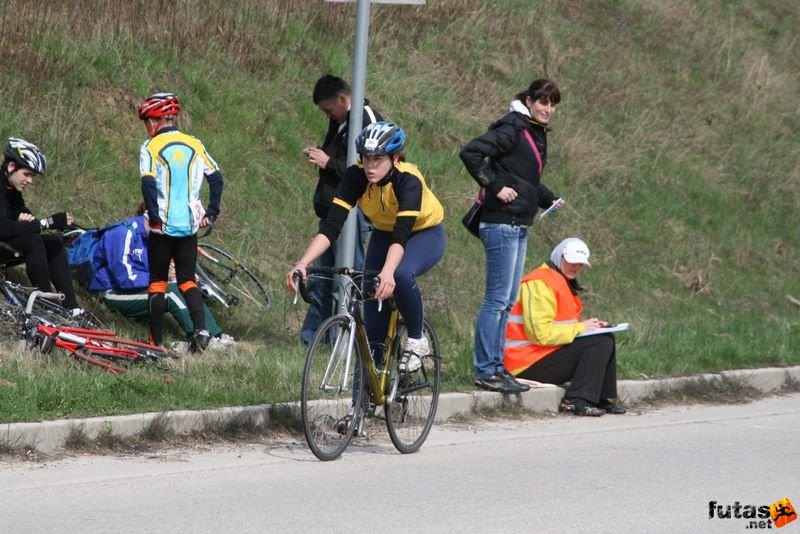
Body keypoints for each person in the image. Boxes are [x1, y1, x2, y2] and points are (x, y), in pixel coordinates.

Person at [288, 121, 445, 373]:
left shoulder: (408, 180)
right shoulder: (356, 176)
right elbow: (331, 227)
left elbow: (402, 234)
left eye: (378, 159)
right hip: (384, 233)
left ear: (395, 158)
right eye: (366, 158)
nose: (370, 165)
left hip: (423, 233)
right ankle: (360, 404)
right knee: (371, 328)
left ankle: (417, 340)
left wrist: (388, 271)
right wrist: (303, 263)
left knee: (400, 274)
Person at [460, 78, 565, 394]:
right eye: (542, 102)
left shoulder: (532, 131)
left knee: (506, 301)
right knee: (496, 299)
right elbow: (471, 153)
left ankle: (497, 367)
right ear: (530, 101)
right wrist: (494, 187)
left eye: (552, 104)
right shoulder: (513, 128)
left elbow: (522, 178)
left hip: (518, 224)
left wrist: (548, 198)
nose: (547, 108)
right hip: (501, 224)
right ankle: (486, 370)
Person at [300, 74, 383, 345]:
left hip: (352, 212)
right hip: (332, 209)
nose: (328, 115)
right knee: (323, 278)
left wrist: (327, 163)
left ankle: (349, 339)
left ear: (343, 99)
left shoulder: (366, 120)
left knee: (348, 277)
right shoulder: (340, 121)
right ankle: (314, 340)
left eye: (328, 109)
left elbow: (365, 172)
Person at [137, 92, 224, 350]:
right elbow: (217, 179)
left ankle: (156, 341)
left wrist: (153, 216)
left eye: (146, 121)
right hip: (188, 224)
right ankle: (201, 330)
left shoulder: (150, 146)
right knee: (187, 280)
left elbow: (148, 183)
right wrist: (211, 212)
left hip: (161, 225)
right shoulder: (195, 143)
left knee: (157, 282)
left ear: (155, 120)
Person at [504, 238, 625, 416]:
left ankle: (599, 398)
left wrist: (589, 326)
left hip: (539, 355)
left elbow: (560, 323)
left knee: (604, 337)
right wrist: (580, 329)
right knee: (599, 342)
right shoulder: (540, 283)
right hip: (525, 363)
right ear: (559, 257)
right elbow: (540, 335)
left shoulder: (557, 280)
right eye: (571, 262)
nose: (575, 267)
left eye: (580, 264)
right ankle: (576, 400)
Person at [87, 215, 234, 352]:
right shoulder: (121, 234)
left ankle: (216, 335)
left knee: (185, 286)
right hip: (114, 291)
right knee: (169, 293)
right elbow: (125, 278)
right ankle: (199, 339)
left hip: (140, 286)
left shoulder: (154, 236)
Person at [0, 137, 83, 315]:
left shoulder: (11, 189)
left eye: (32, 176)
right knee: (32, 240)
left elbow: (22, 217)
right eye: (27, 174)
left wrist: (52, 225)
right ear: (11, 167)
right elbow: (3, 229)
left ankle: (71, 307)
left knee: (53, 243)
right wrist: (46, 223)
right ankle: (44, 303)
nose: (30, 180)